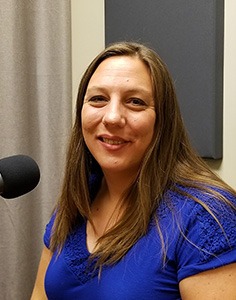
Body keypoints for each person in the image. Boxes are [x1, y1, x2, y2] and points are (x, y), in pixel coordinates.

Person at [30, 42, 236, 299]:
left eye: (135, 102)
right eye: (98, 99)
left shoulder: (207, 216)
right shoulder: (78, 199)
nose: (113, 117)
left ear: (162, 120)